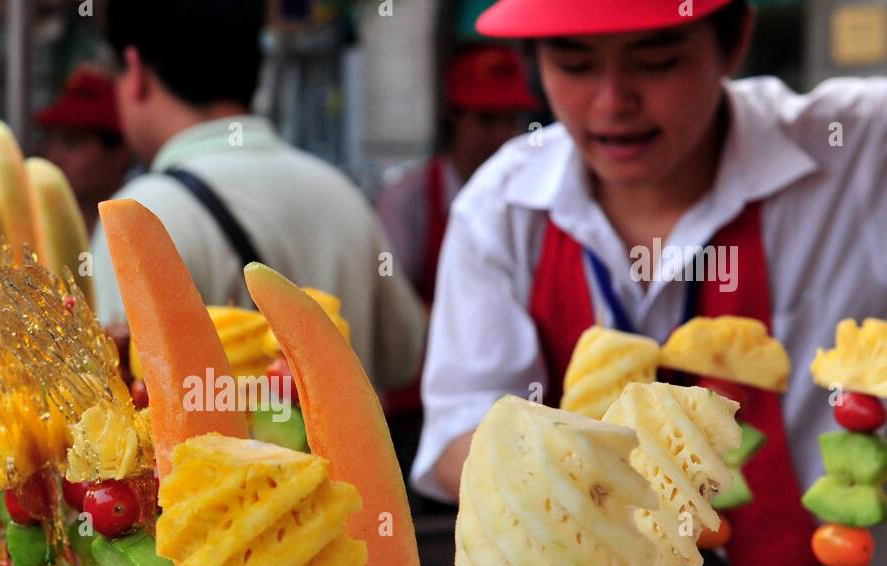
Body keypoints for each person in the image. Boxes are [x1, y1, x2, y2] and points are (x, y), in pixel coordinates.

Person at [413, 0, 887, 566]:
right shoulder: (502, 208)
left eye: (657, 62)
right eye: (576, 65)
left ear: (735, 38)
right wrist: (562, 471)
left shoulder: (855, 156)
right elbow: (461, 431)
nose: (613, 102)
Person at [91, 0, 427, 392]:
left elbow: (119, 401)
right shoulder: (341, 194)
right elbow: (405, 356)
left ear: (134, 72)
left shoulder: (138, 215)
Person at [376, 44, 539, 304]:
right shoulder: (406, 200)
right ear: (453, 116)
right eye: (486, 119)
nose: (500, 136)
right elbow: (392, 301)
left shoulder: (537, 200)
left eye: (510, 121)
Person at [36, 66, 131, 237]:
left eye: (72, 142)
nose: (54, 158)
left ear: (118, 155)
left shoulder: (137, 231)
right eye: (49, 141)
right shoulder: (38, 233)